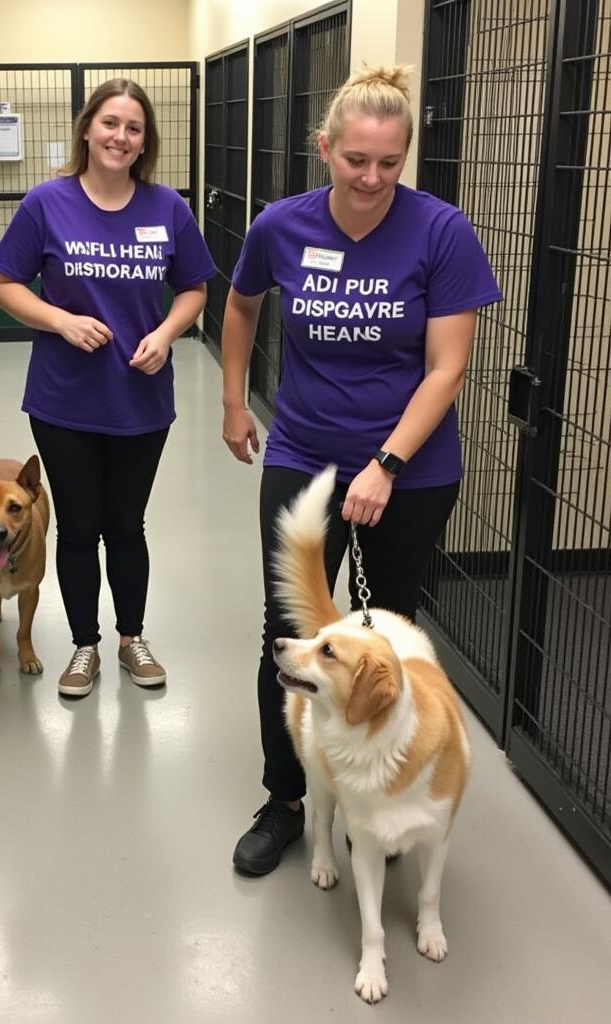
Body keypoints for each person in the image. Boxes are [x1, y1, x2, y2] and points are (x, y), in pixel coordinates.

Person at [220, 65, 501, 873]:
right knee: (292, 635)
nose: (372, 178)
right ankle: (285, 798)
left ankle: (380, 797)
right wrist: (235, 402)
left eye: (389, 163)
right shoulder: (281, 225)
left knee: (383, 638)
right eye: (356, 162)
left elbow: (446, 369)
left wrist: (385, 463)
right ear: (326, 150)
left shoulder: (442, 232)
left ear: (405, 157)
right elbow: (240, 305)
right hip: (304, 453)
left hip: (410, 468)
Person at [0, 79, 216, 698]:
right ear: (87, 128)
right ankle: (84, 645)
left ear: (146, 142)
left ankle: (131, 638)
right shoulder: (46, 203)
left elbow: (195, 288)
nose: (121, 137)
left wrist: (167, 333)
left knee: (127, 524)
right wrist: (59, 319)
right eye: (111, 123)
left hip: (141, 400)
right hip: (64, 399)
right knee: (79, 525)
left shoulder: (167, 207)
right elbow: (5, 284)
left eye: (134, 128)